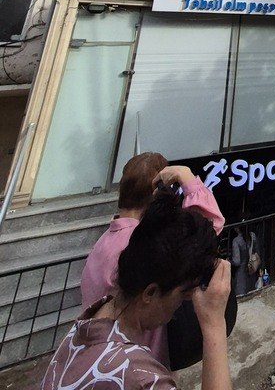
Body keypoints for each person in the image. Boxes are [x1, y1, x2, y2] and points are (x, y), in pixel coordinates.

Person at [44, 191, 231, 390]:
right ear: (150, 293)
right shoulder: (140, 377)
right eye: (182, 296)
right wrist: (214, 325)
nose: (178, 309)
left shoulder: (83, 328)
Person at [81, 153, 224, 366]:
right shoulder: (141, 243)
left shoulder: (104, 242)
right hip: (137, 361)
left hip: (102, 354)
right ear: (157, 191)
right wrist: (186, 177)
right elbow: (204, 234)